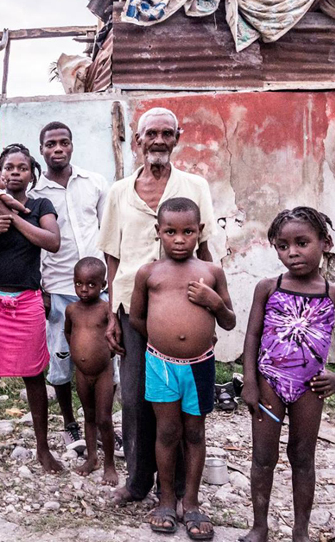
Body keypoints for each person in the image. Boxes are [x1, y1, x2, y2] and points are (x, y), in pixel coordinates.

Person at [97, 107, 219, 507]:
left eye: (167, 133)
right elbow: (112, 257)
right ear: (138, 139)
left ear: (177, 138)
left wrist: (209, 310)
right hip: (134, 310)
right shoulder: (119, 192)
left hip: (183, 307)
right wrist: (112, 313)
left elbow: (206, 249)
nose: (159, 140)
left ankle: (183, 489)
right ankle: (137, 482)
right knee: (134, 398)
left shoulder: (195, 186)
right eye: (152, 133)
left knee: (182, 405)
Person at [240, 208, 335, 542]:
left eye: (302, 243)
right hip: (269, 383)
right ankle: (259, 527)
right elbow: (252, 336)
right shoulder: (268, 288)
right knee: (262, 457)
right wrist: (250, 383)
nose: (292, 252)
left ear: (325, 243)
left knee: (302, 457)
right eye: (283, 246)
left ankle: (301, 531)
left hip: (309, 388)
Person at [129, 198, 235, 538]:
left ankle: (191, 502)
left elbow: (230, 321)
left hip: (200, 366)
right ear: (158, 232)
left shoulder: (211, 273)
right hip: (161, 364)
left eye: (188, 232)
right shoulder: (149, 273)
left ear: (199, 232)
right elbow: (137, 317)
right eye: (170, 232)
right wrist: (163, 343)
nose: (179, 239)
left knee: (195, 432)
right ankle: (165, 499)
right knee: (167, 432)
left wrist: (214, 302)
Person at [0, 144, 64, 475]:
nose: (15, 171)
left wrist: (16, 218)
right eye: (9, 166)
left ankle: (43, 450)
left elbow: (52, 242)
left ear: (32, 172)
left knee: (33, 374)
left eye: (22, 167)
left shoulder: (41, 205)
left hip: (28, 300)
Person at [33, 121, 109, 455]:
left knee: (103, 360)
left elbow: (107, 233)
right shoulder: (35, 194)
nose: (58, 149)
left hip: (99, 288)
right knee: (61, 359)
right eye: (51, 144)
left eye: (64, 142)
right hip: (60, 287)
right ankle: (69, 424)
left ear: (72, 146)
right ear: (42, 150)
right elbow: (32, 246)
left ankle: (105, 424)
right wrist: (43, 290)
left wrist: (111, 285)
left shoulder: (94, 183)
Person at [64, 257, 118, 485]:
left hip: (103, 372)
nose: (84, 290)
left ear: (103, 285)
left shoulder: (106, 309)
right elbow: (68, 333)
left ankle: (110, 465)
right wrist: (79, 353)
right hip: (82, 372)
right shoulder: (72, 310)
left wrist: (104, 353)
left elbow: (115, 335)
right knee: (88, 415)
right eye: (79, 284)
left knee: (104, 418)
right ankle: (92, 458)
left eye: (91, 284)